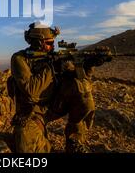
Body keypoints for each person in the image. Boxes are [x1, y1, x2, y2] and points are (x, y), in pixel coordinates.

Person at [10, 22, 100, 153]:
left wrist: (89, 66)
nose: (53, 47)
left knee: (83, 90)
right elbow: (30, 91)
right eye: (49, 43)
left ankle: (74, 141)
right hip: (33, 111)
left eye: (53, 43)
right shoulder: (19, 58)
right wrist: (52, 68)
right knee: (25, 144)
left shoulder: (54, 57)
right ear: (38, 42)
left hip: (56, 104)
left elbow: (80, 80)